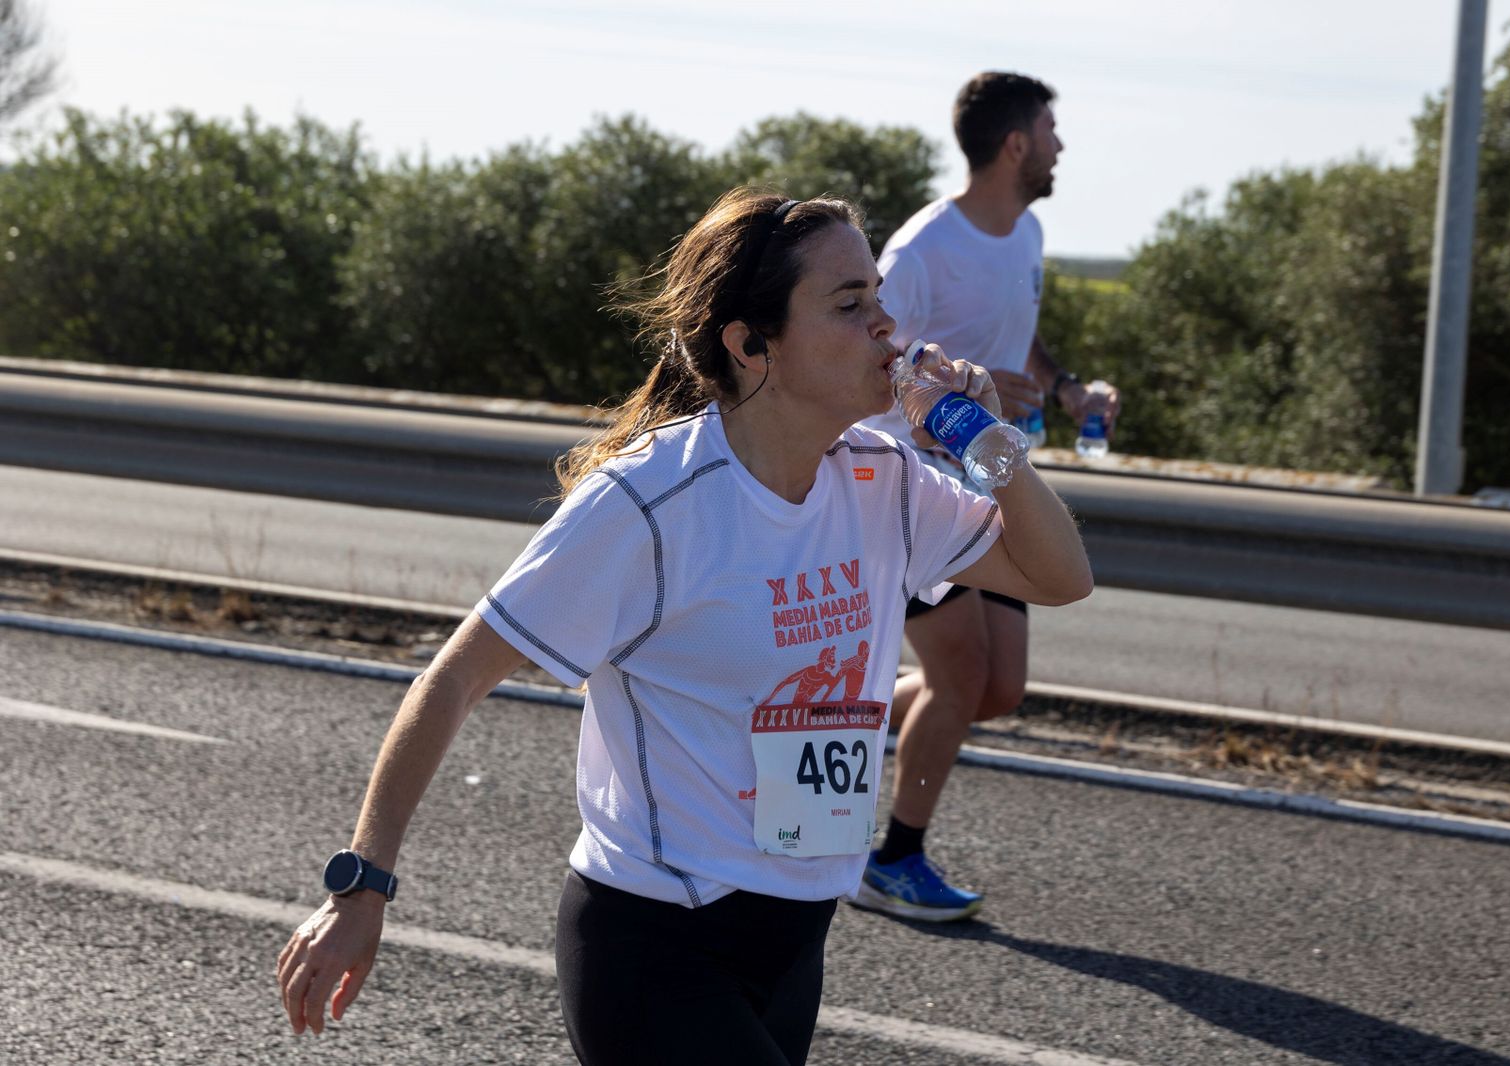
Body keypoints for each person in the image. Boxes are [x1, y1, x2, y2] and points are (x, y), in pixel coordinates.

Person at [273, 186, 1092, 1065]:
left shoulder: (881, 477)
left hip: (796, 933)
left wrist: (984, 439)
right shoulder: (651, 502)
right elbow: (457, 675)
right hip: (659, 938)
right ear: (751, 345)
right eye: (851, 306)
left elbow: (1060, 578)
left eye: (881, 301)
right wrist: (362, 888)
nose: (888, 330)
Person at [852, 71, 1122, 922]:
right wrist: (954, 409)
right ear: (1015, 145)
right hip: (915, 488)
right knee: (961, 676)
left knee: (997, 689)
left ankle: (810, 719)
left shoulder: (1026, 231)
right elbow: (863, 370)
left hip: (991, 486)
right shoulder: (922, 252)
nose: (1059, 144)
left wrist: (1065, 387)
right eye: (1050, 129)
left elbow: (1021, 332)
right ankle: (893, 861)